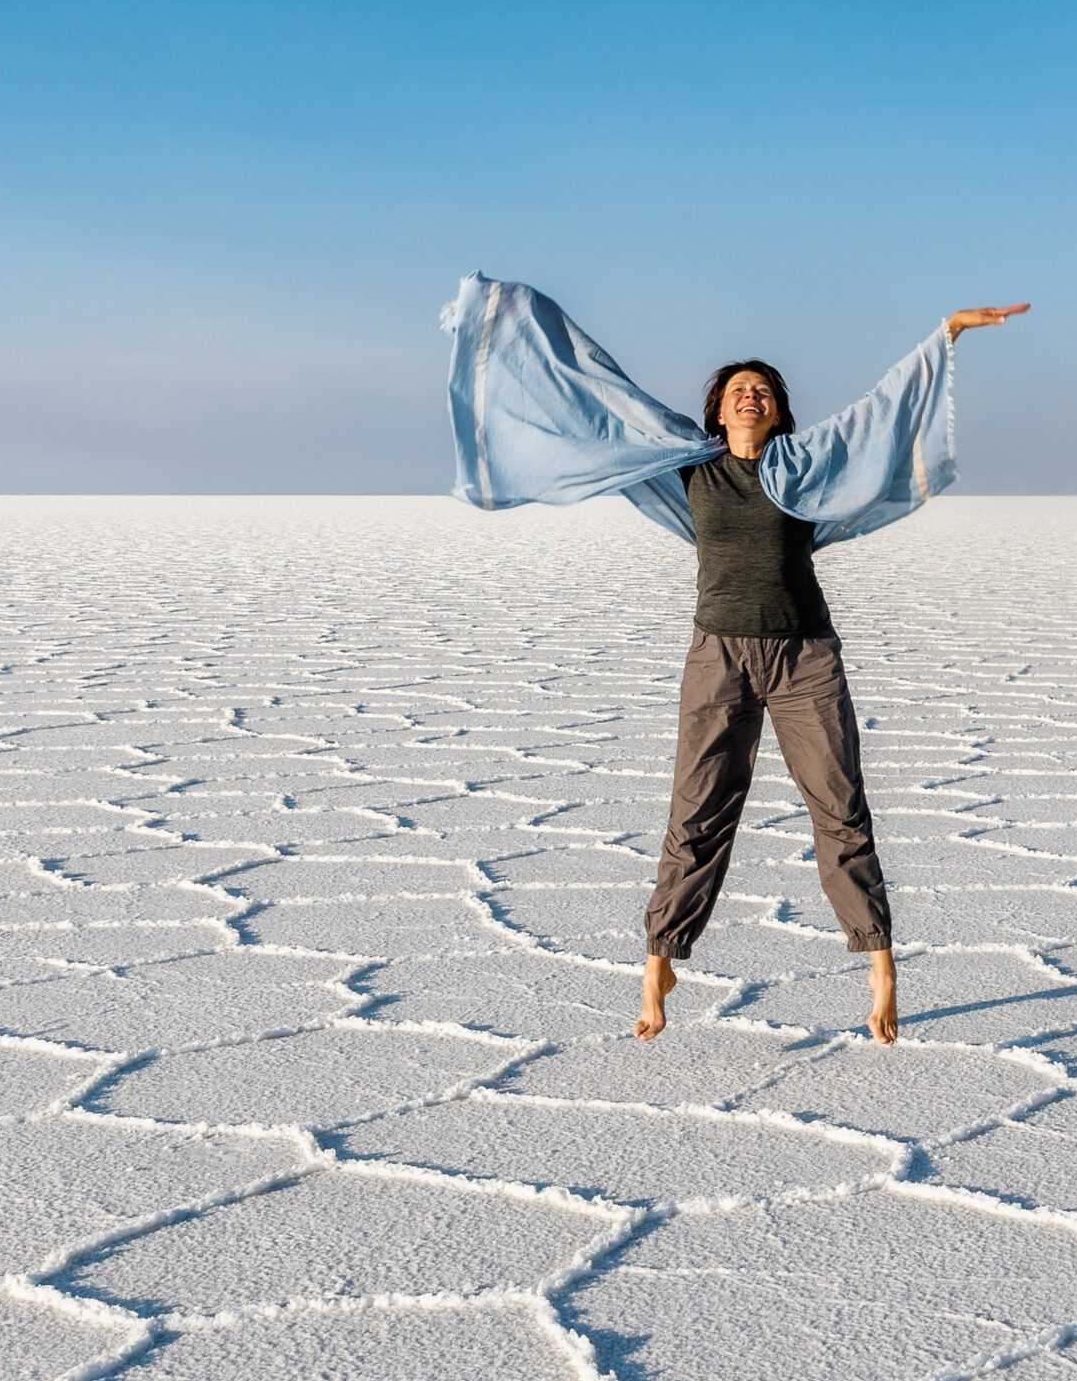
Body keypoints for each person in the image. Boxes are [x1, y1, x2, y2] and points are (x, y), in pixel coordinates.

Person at [434, 274, 1028, 1044]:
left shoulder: (807, 467)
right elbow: (601, 397)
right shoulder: (690, 469)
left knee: (839, 810)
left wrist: (942, 334)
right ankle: (660, 961)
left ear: (778, 410)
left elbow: (873, 417)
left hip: (805, 657)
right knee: (698, 813)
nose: (751, 396)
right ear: (716, 410)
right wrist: (507, 322)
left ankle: (878, 961)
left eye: (764, 391)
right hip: (718, 657)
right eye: (739, 390)